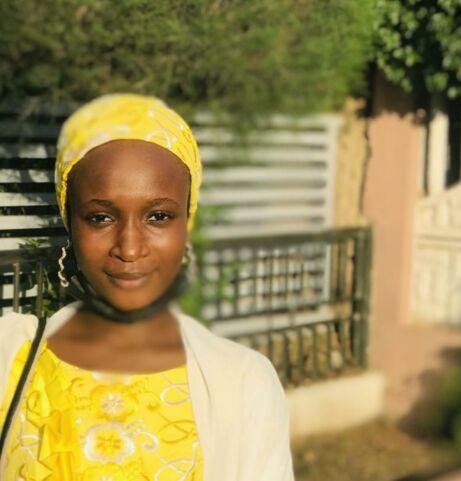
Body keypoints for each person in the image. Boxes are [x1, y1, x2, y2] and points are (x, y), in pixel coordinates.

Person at [0, 94, 295, 481]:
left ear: (186, 222)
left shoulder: (241, 382)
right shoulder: (9, 357)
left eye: (158, 216)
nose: (130, 248)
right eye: (100, 217)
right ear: (71, 223)